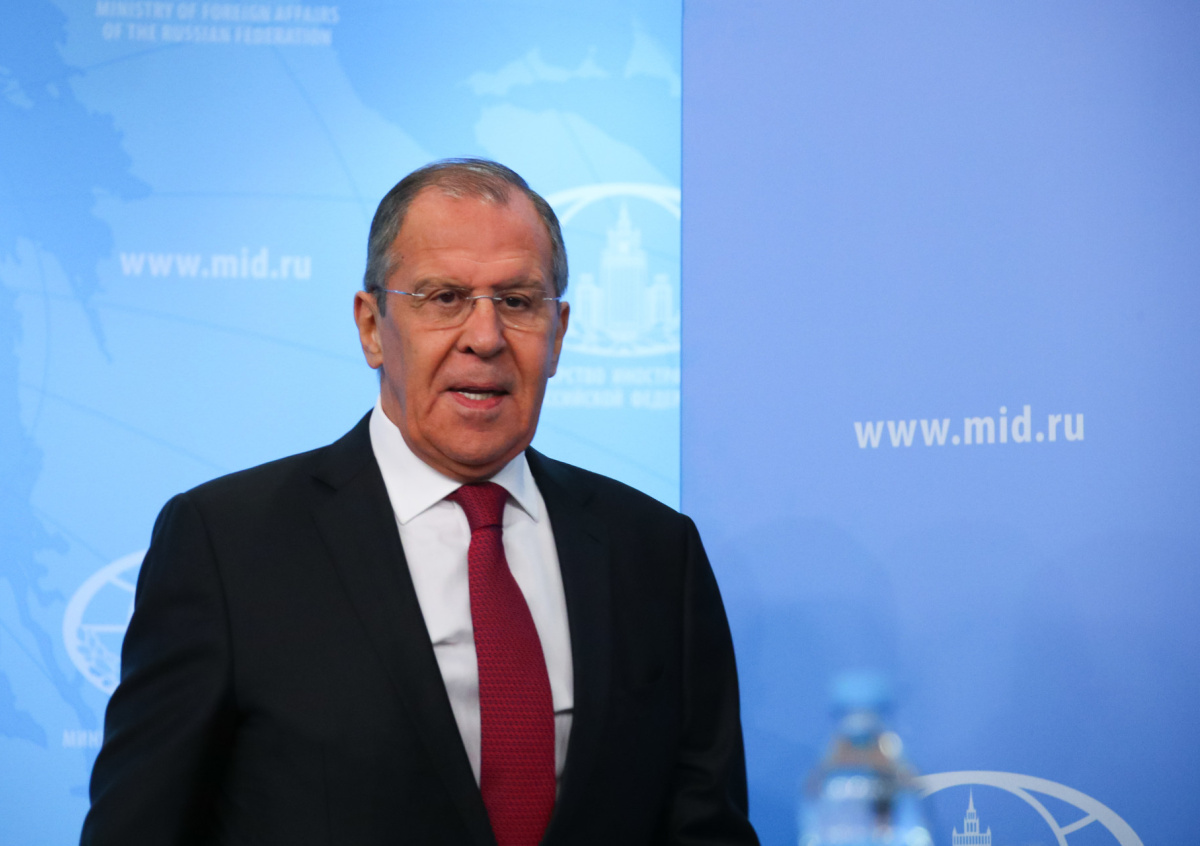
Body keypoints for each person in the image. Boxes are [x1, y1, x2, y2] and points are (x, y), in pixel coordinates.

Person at [82, 159, 758, 846]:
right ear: (372, 327)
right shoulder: (227, 546)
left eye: (517, 301)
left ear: (558, 334)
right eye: (444, 297)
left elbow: (705, 830)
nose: (485, 337)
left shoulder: (653, 550)